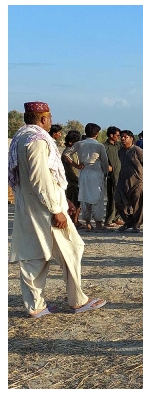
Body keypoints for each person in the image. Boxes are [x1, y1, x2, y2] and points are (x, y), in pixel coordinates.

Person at [8, 101, 106, 318]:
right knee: (71, 249)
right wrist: (56, 209)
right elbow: (41, 179)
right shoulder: (37, 141)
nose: (51, 122)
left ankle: (36, 306)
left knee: (34, 255)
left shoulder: (21, 138)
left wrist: (64, 202)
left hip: (32, 204)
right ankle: (78, 301)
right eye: (50, 118)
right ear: (43, 119)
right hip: (45, 209)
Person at [65, 123, 110, 231]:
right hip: (96, 173)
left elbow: (66, 154)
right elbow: (104, 162)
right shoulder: (99, 146)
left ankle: (88, 223)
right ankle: (98, 223)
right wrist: (106, 173)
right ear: (97, 134)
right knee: (98, 199)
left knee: (85, 198)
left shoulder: (79, 144)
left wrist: (76, 165)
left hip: (84, 173)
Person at [115, 130, 143, 233]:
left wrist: (140, 176)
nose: (123, 139)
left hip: (137, 181)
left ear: (131, 138)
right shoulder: (120, 151)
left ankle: (136, 224)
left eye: (126, 137)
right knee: (119, 201)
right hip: (123, 181)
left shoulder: (138, 151)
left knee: (138, 203)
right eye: (122, 137)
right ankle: (128, 221)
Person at [61, 130, 83, 228]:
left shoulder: (73, 152)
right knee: (74, 203)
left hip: (74, 181)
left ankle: (75, 221)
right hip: (71, 182)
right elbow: (70, 170)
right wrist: (77, 180)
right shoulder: (67, 153)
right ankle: (74, 221)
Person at [104, 126, 124, 228]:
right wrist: (106, 166)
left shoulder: (119, 146)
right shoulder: (104, 147)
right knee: (112, 198)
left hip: (121, 175)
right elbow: (100, 159)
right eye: (117, 135)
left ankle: (117, 218)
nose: (119, 137)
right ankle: (109, 219)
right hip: (111, 176)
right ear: (111, 135)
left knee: (119, 198)